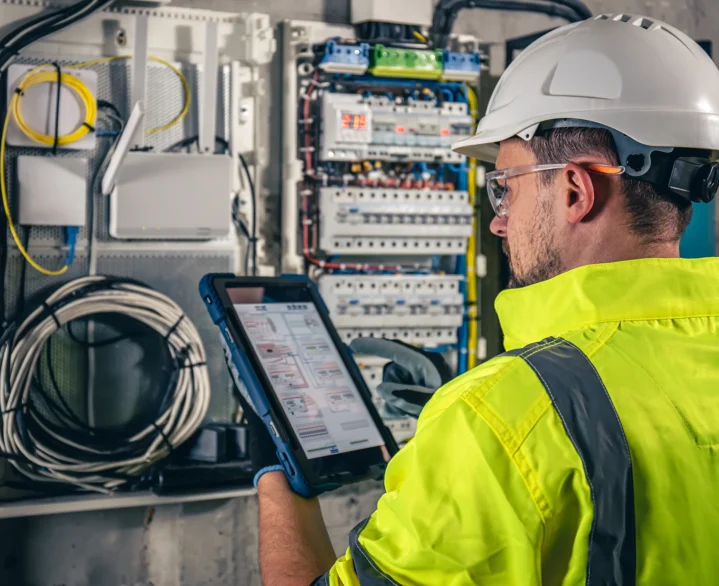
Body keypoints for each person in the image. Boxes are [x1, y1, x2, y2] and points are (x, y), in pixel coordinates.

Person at [248, 14, 719, 585]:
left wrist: (275, 469)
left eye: (506, 188)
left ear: (575, 190)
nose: (499, 223)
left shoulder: (496, 419)